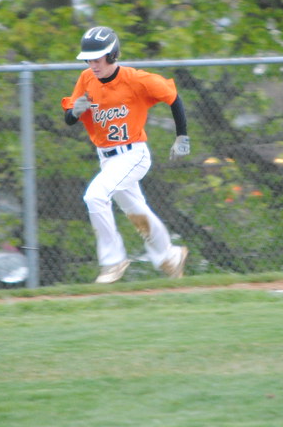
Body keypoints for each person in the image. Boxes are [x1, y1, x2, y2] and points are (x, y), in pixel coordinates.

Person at [61, 26, 191, 284]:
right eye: (89, 59)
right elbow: (68, 120)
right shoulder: (87, 78)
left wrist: (182, 136)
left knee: (95, 196)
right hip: (107, 158)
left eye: (97, 59)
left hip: (133, 155)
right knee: (136, 211)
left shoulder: (136, 79)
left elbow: (173, 97)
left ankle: (113, 260)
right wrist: (75, 111)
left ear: (112, 55)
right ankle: (169, 254)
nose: (92, 64)